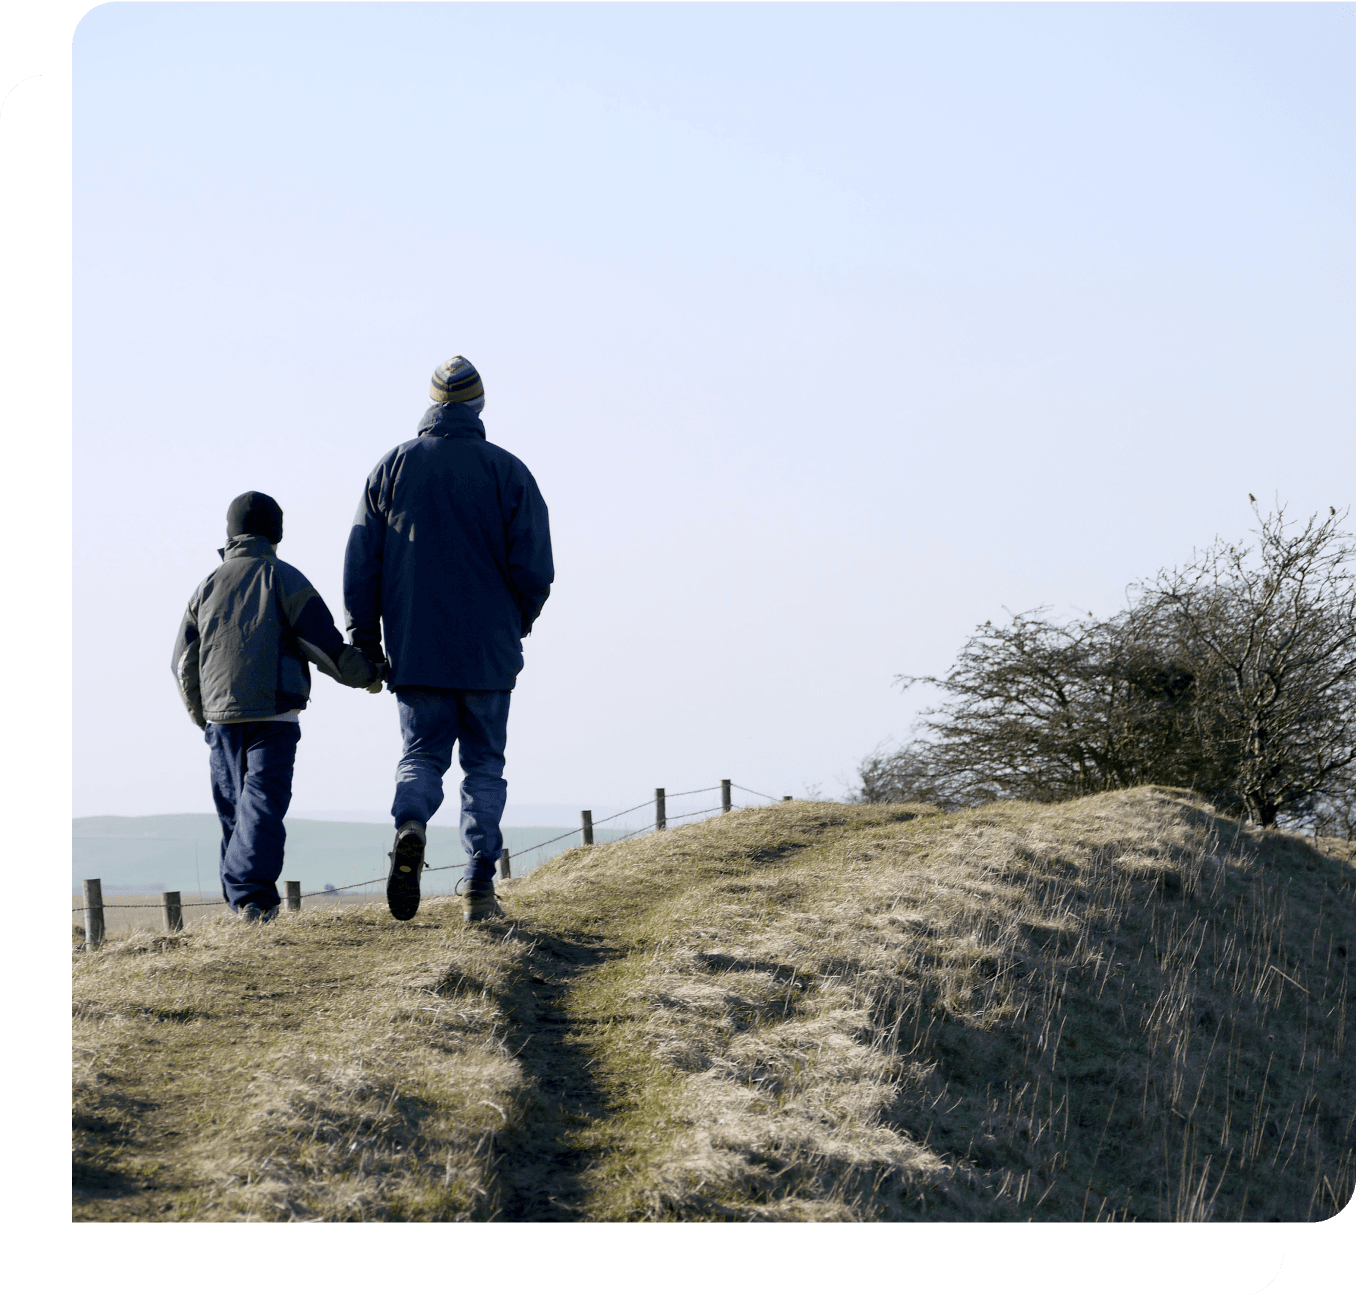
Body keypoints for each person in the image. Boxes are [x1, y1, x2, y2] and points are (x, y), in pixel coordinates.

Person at [343, 356, 553, 923]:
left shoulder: (392, 468)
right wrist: (516, 623)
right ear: (479, 406)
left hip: (416, 650)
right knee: (484, 766)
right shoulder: (509, 472)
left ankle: (410, 824)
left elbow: (362, 564)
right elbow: (536, 568)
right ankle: (479, 884)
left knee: (421, 756)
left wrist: (367, 641)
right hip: (489, 653)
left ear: (432, 405)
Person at [172, 491, 382, 922]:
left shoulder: (205, 586)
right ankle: (254, 901)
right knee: (262, 806)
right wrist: (370, 676)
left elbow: (182, 663)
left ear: (231, 533)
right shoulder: (284, 578)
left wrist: (202, 716)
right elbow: (323, 647)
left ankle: (244, 904)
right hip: (274, 716)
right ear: (277, 532)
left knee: (235, 811)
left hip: (220, 720)